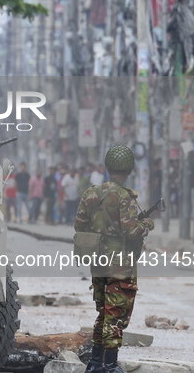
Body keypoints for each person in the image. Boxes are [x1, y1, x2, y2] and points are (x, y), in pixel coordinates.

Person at [75, 145, 154, 373]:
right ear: (129, 169)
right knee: (116, 314)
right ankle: (110, 366)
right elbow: (131, 231)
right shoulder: (125, 196)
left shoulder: (91, 193)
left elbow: (79, 226)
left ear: (108, 168)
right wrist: (147, 225)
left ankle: (95, 363)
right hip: (119, 262)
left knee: (103, 312)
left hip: (97, 260)